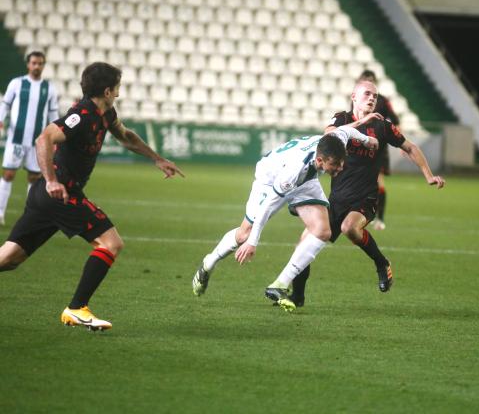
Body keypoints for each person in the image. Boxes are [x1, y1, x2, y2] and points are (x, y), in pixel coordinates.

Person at [0, 62, 184, 331]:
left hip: (49, 196)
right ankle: (76, 308)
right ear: (108, 91)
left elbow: (126, 136)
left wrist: (156, 159)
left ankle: (76, 308)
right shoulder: (82, 114)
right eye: (118, 87)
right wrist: (52, 181)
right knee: (111, 243)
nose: (120, 92)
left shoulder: (106, 113)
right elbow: (44, 139)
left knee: (10, 258)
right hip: (60, 193)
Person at [289, 79, 445, 306]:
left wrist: (428, 175)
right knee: (304, 244)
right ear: (354, 97)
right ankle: (297, 297)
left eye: (375, 95)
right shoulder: (341, 118)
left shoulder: (382, 126)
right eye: (366, 94)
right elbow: (329, 136)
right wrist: (363, 121)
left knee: (349, 227)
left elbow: (410, 146)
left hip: (366, 198)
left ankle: (381, 263)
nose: (372, 98)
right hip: (336, 199)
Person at [191, 125, 379, 311]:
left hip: (307, 180)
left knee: (323, 231)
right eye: (335, 165)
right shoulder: (292, 172)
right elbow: (268, 205)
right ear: (321, 160)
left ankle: (279, 285)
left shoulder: (336, 142)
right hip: (270, 179)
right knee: (244, 234)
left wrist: (366, 140)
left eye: (341, 163)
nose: (340, 168)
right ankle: (209, 263)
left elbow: (346, 130)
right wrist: (253, 243)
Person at [0, 51, 60, 225]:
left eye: (40, 63)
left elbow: (53, 114)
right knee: (9, 174)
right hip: (16, 139)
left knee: (34, 178)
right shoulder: (17, 84)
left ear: (43, 65)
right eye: (34, 63)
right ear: (28, 64)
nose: (37, 66)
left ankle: (29, 216)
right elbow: (6, 105)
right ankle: (0, 213)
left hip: (37, 142)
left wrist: (55, 137)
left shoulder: (49, 88)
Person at [355, 70, 400, 230]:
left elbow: (395, 120)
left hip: (378, 146)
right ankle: (360, 215)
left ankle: (380, 218)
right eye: (364, 79)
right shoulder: (357, 99)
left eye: (370, 80)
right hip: (359, 144)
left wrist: (400, 142)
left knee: (379, 182)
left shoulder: (382, 101)